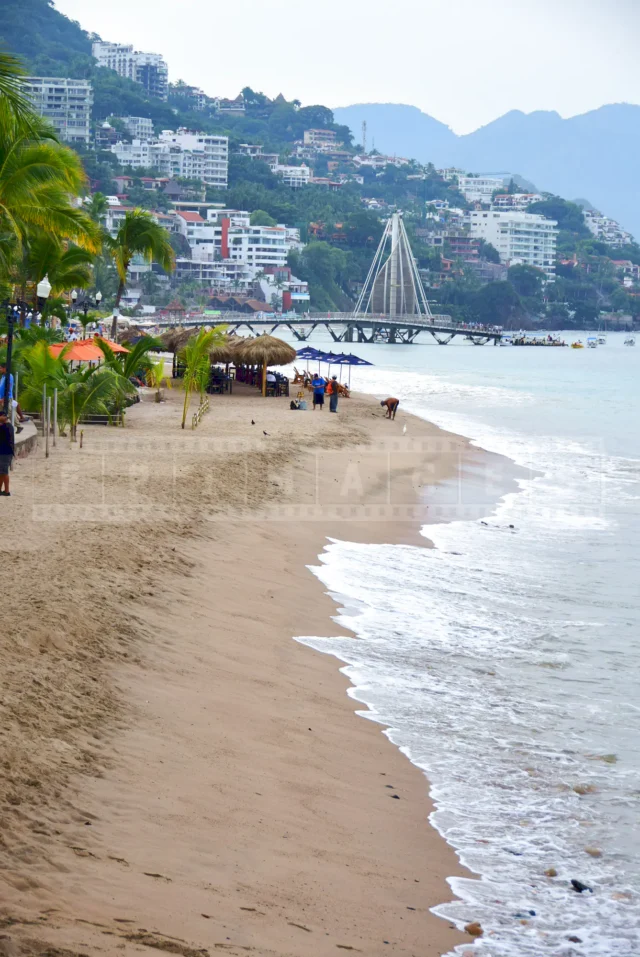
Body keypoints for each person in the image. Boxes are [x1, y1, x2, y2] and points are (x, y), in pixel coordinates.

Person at [0, 408, 15, 496]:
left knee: (4, 472)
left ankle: (7, 491)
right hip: (4, 452)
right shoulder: (7, 426)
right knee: (1, 472)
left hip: (5, 453)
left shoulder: (6, 426)